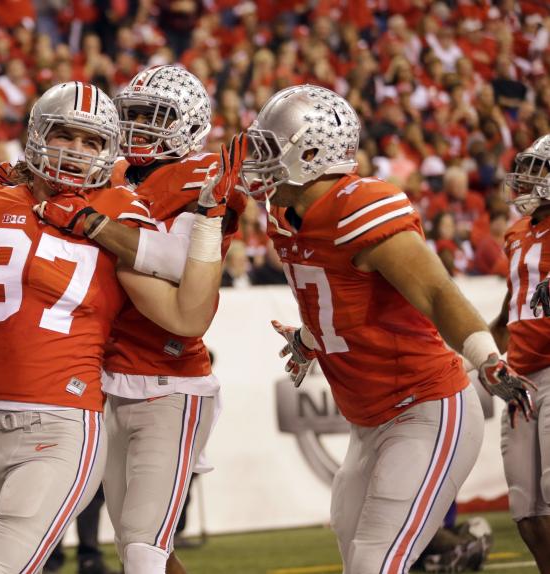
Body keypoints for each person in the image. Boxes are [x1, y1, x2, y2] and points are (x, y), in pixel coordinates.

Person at [0, 40, 233, 574]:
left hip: (63, 425)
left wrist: (206, 223)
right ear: (38, 133)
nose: (75, 149)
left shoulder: (117, 210)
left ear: (110, 151)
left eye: (91, 140)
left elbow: (185, 316)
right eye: (64, 133)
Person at [239, 84, 533, 573]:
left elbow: (436, 291)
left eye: (272, 148)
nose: (258, 161)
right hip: (368, 422)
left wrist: (487, 356)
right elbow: (344, 301)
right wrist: (309, 340)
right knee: (357, 551)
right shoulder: (285, 218)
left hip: (426, 410)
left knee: (375, 560)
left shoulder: (360, 206)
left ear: (310, 154)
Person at [50, 64, 244, 574]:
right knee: (140, 545)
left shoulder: (201, 177)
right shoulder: (112, 175)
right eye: (132, 114)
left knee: (143, 547)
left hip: (170, 377)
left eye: (153, 116)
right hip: (109, 375)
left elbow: (180, 263)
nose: (138, 126)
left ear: (190, 122)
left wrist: (94, 222)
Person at [490, 133, 550, 573]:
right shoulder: (515, 232)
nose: (527, 181)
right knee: (525, 509)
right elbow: (513, 306)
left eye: (538, 170)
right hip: (519, 378)